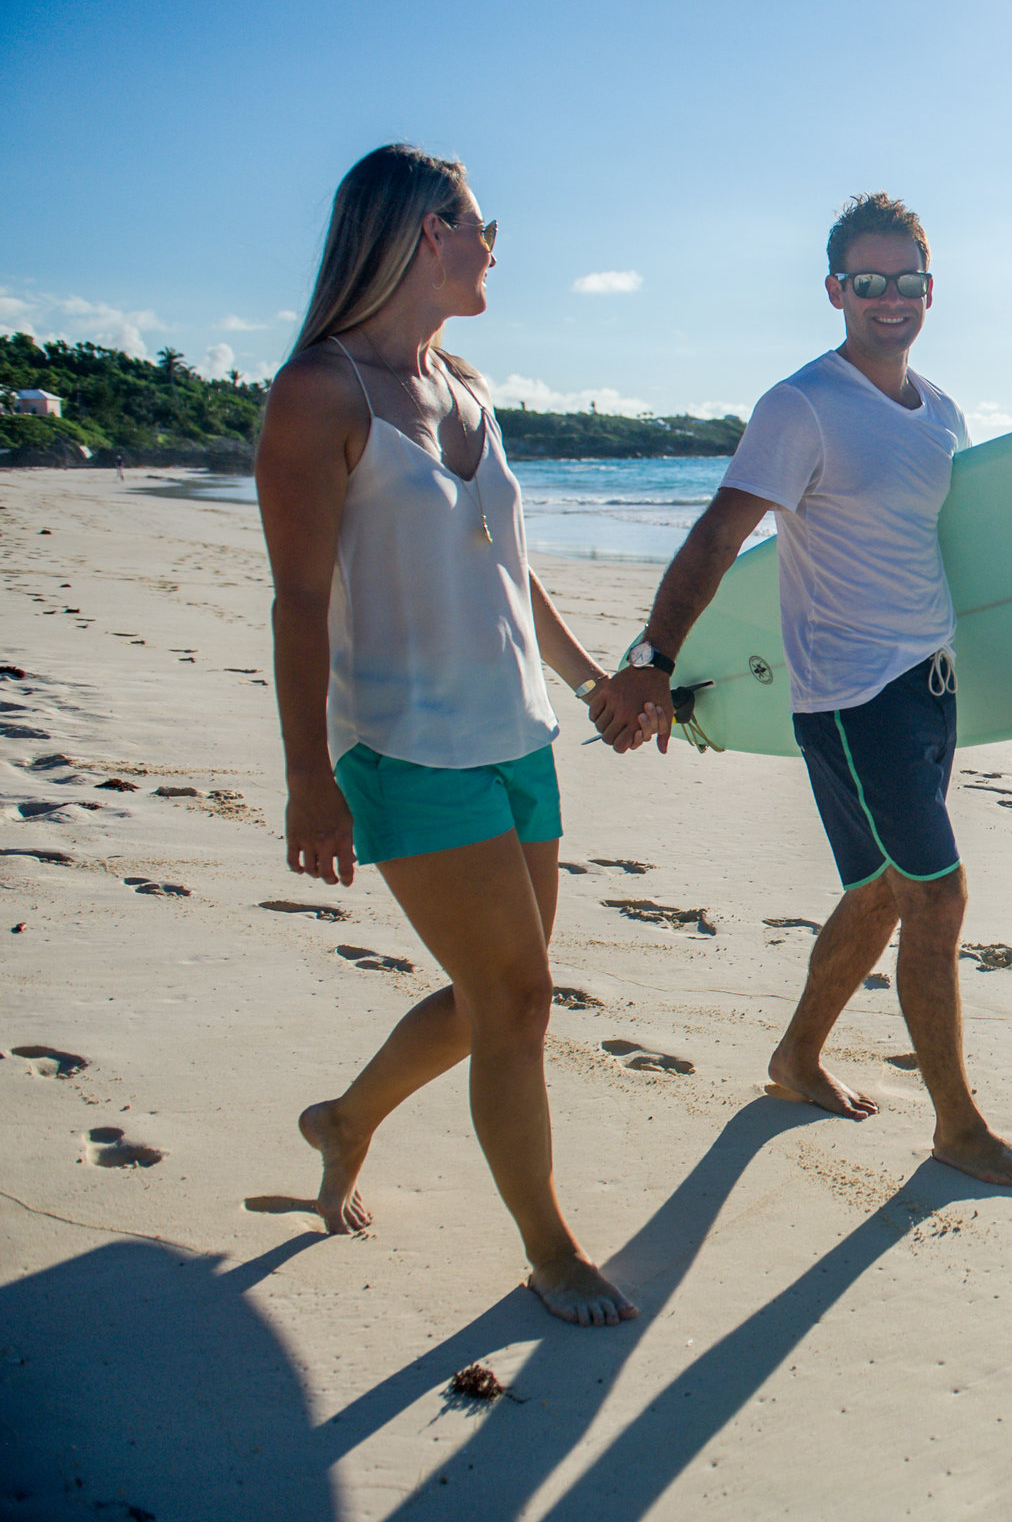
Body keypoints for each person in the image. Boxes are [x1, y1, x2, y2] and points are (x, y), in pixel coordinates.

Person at [587, 192, 1012, 1189]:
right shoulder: (800, 405)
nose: (891, 299)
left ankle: (796, 1058)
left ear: (931, 288)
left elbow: (961, 560)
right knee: (938, 894)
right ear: (836, 290)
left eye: (908, 282)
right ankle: (956, 1124)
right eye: (870, 282)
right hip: (851, 695)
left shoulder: (941, 413)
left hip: (930, 682)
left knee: (882, 888)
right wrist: (654, 661)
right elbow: (721, 533)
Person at [254, 144, 646, 1325]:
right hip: (405, 747)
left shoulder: (464, 383)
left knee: (497, 997)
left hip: (515, 735)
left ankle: (347, 1118)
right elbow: (297, 598)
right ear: (425, 232)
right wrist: (308, 780)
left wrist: (590, 684)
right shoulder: (319, 393)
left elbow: (510, 570)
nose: (492, 243)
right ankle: (549, 1247)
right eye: (479, 222)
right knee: (516, 998)